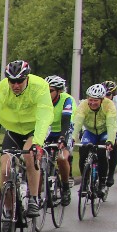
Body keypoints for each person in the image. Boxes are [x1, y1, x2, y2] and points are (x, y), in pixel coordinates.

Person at [0, 60, 52, 232]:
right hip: (12, 130)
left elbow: (44, 115)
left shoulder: (39, 86)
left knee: (29, 155)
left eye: (19, 81)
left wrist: (37, 143)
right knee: (5, 169)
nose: (15, 85)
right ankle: (9, 212)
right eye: (12, 81)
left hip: (34, 129)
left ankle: (33, 199)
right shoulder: (2, 88)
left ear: (27, 78)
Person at [72, 83, 117, 199]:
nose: (92, 103)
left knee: (102, 153)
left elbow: (111, 125)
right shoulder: (83, 105)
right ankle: (84, 182)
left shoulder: (109, 105)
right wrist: (72, 137)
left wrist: (110, 141)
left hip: (104, 131)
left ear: (102, 100)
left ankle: (102, 183)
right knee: (83, 151)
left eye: (95, 100)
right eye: (90, 100)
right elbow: (77, 122)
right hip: (90, 131)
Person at [44, 75, 74, 206]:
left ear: (59, 91)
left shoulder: (66, 100)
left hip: (64, 130)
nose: (47, 94)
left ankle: (66, 187)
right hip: (48, 131)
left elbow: (66, 121)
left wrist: (63, 138)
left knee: (62, 158)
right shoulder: (42, 100)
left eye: (50, 91)